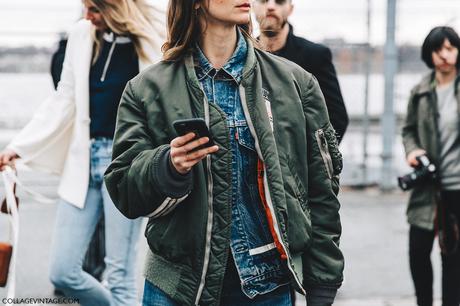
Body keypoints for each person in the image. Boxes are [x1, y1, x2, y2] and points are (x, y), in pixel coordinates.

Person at [104, 1, 344, 305]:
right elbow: (124, 189)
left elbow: (321, 193)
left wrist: (323, 283)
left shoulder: (296, 84)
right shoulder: (145, 89)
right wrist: (168, 165)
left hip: (268, 288)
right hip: (176, 288)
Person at [0, 0, 165, 305]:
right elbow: (63, 99)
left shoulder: (152, 42)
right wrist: (19, 147)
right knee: (62, 271)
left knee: (120, 277)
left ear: (118, 7)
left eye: (96, 9)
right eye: (86, 8)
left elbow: (163, 109)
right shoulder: (81, 36)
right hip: (83, 162)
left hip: (126, 165)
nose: (88, 16)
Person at [402, 26, 460, 306]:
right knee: (417, 252)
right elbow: (409, 129)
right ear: (430, 54)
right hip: (428, 186)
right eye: (438, 50)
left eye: (450, 48)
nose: (444, 55)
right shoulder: (421, 91)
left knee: (453, 258)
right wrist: (413, 151)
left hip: (457, 189)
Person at [252, 0, 348, 143]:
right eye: (263, 0)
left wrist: (312, 161)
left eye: (279, 1)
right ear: (253, 6)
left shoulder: (315, 56)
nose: (271, 6)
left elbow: (337, 118)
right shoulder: (243, 56)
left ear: (290, 9)